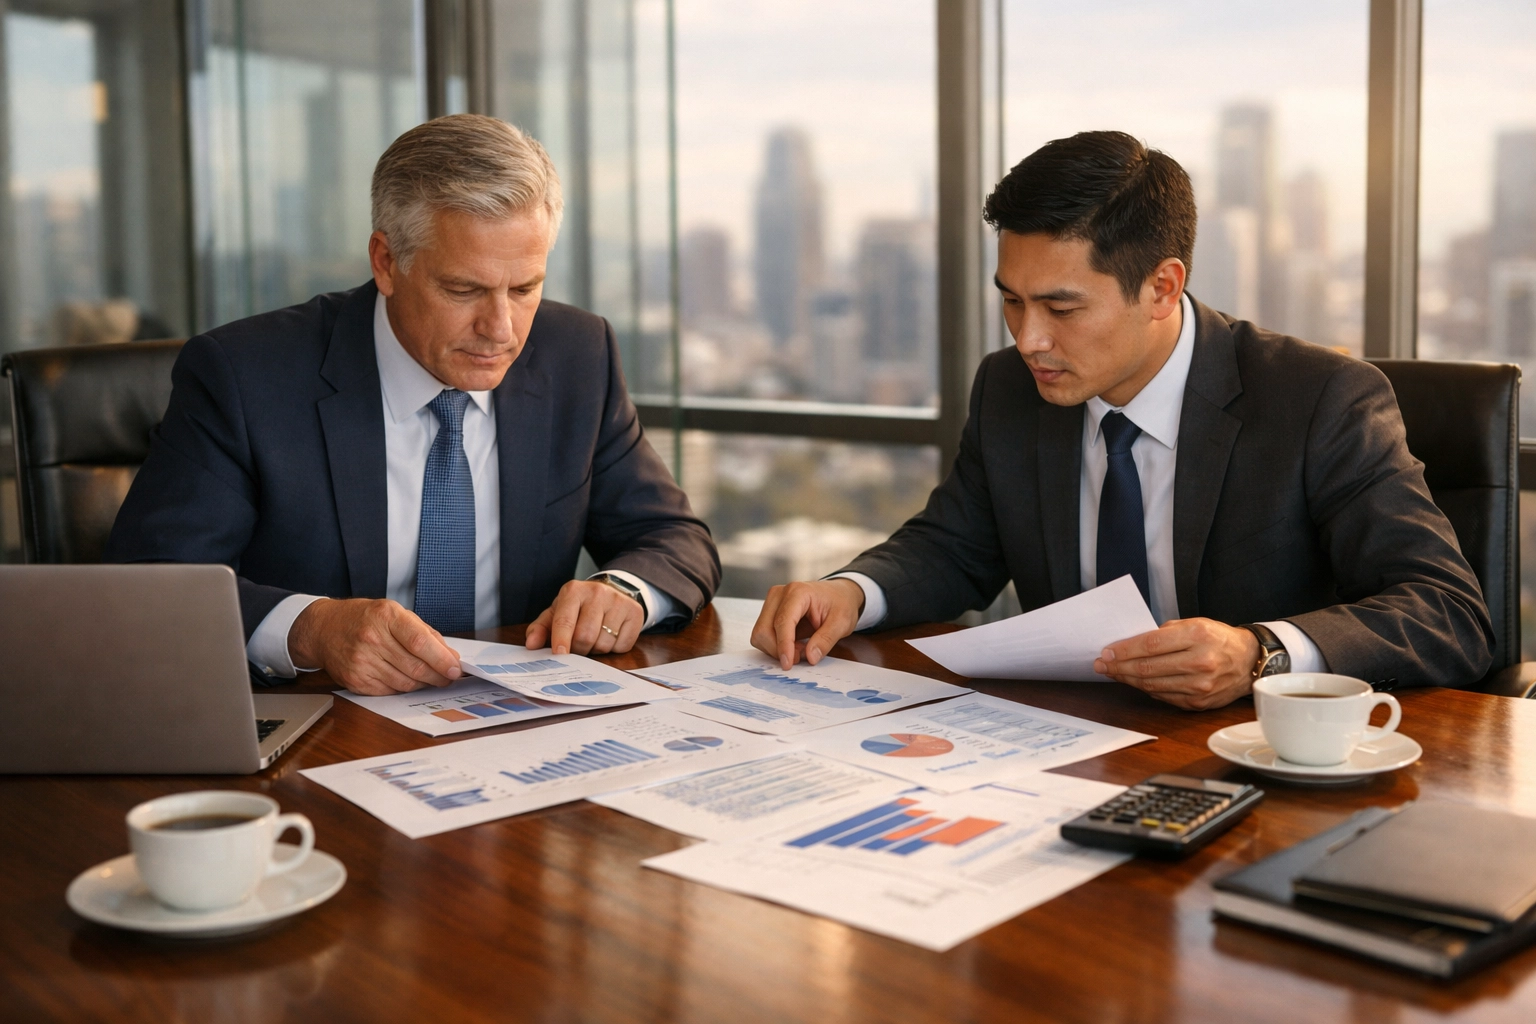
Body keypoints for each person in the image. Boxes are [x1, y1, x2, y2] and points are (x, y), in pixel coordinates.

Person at [752, 130, 1492, 710]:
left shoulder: (1319, 399)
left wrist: (1258, 653)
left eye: (1062, 307)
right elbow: (956, 547)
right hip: (1059, 748)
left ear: (1164, 287)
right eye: (1012, 298)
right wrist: (852, 590)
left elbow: (1448, 613)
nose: (1027, 338)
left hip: (1259, 765)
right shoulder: (1008, 388)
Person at [107, 114, 719, 696]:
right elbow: (153, 586)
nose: (501, 329)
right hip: (319, 729)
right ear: (386, 262)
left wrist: (624, 588)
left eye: (525, 287)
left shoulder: (577, 355)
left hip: (515, 724)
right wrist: (310, 629)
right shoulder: (243, 375)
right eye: (463, 289)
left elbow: (672, 535)